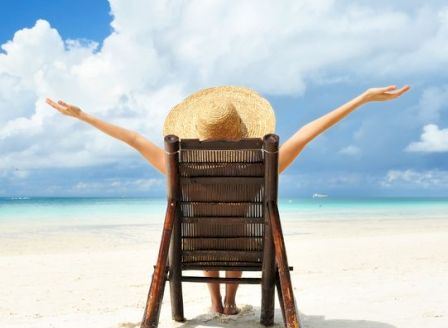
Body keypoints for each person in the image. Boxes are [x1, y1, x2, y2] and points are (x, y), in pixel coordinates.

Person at [46, 84, 410, 315]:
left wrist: (83, 116)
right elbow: (306, 134)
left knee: (206, 228)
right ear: (242, 132)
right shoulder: (261, 163)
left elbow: (134, 139)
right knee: (237, 227)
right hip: (245, 249)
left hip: (195, 248)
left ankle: (216, 303)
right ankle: (231, 301)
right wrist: (360, 99)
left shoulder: (178, 164)